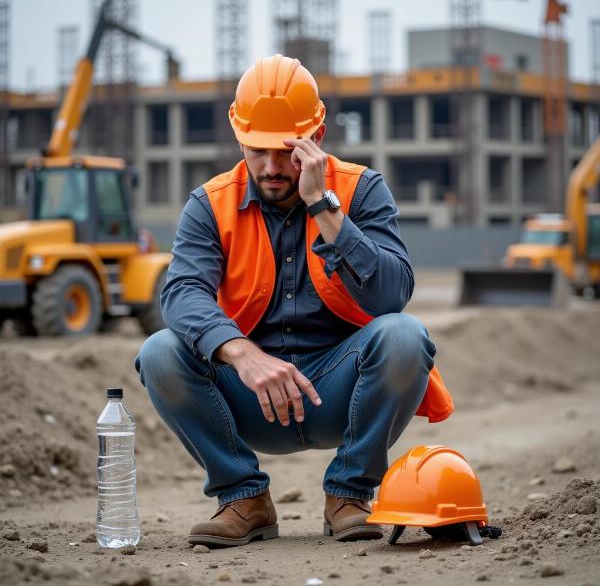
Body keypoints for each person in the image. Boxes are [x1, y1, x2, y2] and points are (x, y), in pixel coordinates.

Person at [135, 54, 453, 548]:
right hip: (248, 393)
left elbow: (393, 294)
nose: (271, 166)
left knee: (405, 336)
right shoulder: (209, 204)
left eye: (286, 151)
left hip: (339, 389)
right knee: (160, 351)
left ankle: (349, 494)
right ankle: (244, 498)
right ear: (239, 137)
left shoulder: (361, 190)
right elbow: (181, 293)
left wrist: (323, 206)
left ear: (317, 138)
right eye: (256, 151)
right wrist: (242, 354)